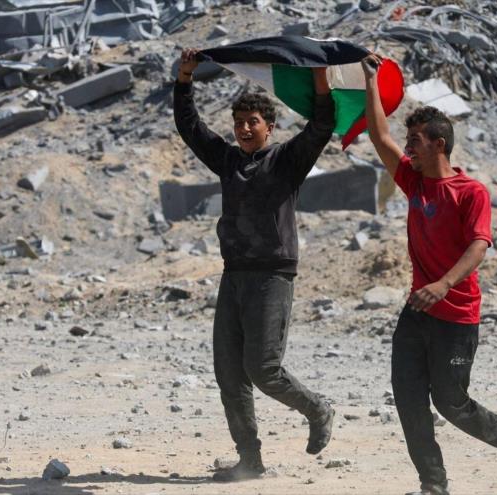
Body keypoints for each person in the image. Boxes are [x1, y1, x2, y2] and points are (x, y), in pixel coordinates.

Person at [360, 54, 497, 495]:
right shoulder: (414, 182)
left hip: (457, 316)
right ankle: (434, 486)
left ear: (439, 143)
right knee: (408, 402)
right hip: (416, 313)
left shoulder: (470, 192)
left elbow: (478, 245)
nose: (408, 149)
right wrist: (370, 80)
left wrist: (443, 284)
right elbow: (377, 134)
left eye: (416, 141)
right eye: (409, 141)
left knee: (451, 402)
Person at [173, 48, 335, 482]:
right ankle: (250, 460)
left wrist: (320, 76)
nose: (244, 129)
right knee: (229, 374)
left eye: (253, 123)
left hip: (272, 276)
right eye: (239, 123)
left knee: (263, 369)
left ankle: (317, 407)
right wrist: (185, 77)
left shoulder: (286, 160)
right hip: (235, 275)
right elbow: (190, 128)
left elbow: (322, 125)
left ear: (270, 127)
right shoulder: (228, 161)